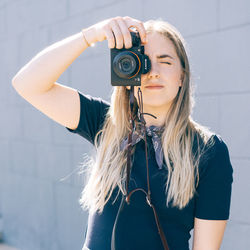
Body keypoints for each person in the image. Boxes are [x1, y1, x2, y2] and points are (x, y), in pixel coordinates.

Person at [12, 16, 233, 250]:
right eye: (142, 62)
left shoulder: (209, 150)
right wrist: (92, 35)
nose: (153, 71)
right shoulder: (107, 123)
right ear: (127, 75)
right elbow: (28, 84)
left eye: (165, 61)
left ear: (182, 76)